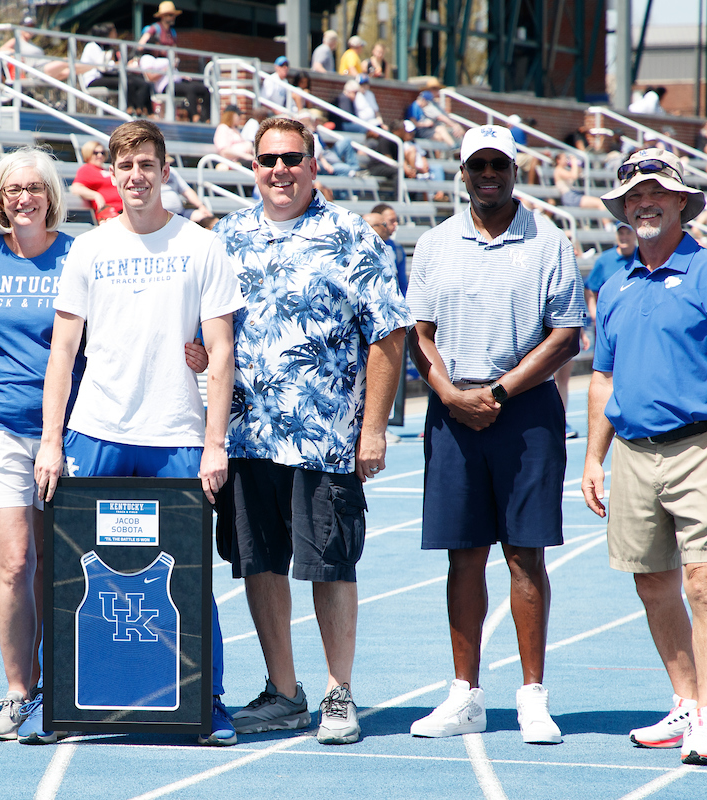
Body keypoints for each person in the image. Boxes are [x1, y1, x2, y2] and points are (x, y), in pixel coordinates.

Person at [34, 119, 244, 747]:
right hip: (97, 428)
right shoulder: (90, 249)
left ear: (164, 171)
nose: (136, 176)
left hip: (177, 433)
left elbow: (222, 349)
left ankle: (207, 699)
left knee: (186, 574)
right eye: (125, 166)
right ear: (112, 172)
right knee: (76, 573)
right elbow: (63, 351)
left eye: (147, 164)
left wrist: (213, 443)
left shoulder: (202, 246)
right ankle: (62, 695)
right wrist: (51, 439)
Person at [214, 116, 411, 746]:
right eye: (268, 159)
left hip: (324, 439)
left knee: (330, 566)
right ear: (253, 167)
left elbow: (388, 334)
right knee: (259, 564)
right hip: (246, 438)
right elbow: (211, 332)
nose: (280, 170)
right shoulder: (228, 237)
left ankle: (337, 692)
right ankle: (284, 691)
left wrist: (372, 429)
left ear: (314, 164)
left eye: (292, 158)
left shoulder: (352, 237)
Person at [405, 125, 584, 745]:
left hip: (526, 412)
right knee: (464, 555)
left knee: (525, 554)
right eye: (477, 163)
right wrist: (453, 395)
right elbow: (418, 334)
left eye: (498, 163)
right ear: (462, 172)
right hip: (455, 412)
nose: (488, 172)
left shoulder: (551, 242)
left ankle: (533, 697)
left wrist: (500, 392)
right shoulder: (432, 245)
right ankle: (465, 696)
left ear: (515, 170)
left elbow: (566, 335)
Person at [582, 148, 707, 766]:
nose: (645, 203)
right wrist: (592, 460)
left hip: (703, 446)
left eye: (656, 194)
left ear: (682, 202)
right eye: (633, 197)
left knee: (706, 582)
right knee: (652, 584)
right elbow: (602, 380)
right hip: (632, 452)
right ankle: (684, 700)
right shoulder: (615, 285)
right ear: (624, 210)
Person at [0, 148, 79, 742]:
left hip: (67, 426)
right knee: (14, 564)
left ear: (50, 193)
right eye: (11, 190)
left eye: (33, 188)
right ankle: (18, 692)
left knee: (59, 568)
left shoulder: (76, 253)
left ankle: (61, 690)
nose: (22, 198)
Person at [78, 22, 151, 116]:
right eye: (113, 33)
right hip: (93, 79)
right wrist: (120, 64)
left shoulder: (104, 48)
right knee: (127, 82)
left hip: (102, 77)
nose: (115, 36)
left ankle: (139, 109)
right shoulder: (92, 46)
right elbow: (103, 67)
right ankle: (130, 109)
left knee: (136, 81)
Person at [70, 139, 121, 222]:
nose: (100, 155)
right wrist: (96, 195)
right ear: (88, 153)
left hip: (124, 210)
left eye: (102, 152)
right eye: (95, 153)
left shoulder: (106, 170)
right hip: (110, 213)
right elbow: (76, 188)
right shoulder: (86, 169)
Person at [370, 202, 407, 295]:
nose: (395, 224)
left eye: (396, 220)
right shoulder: (362, 248)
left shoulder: (396, 248)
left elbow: (402, 282)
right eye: (391, 221)